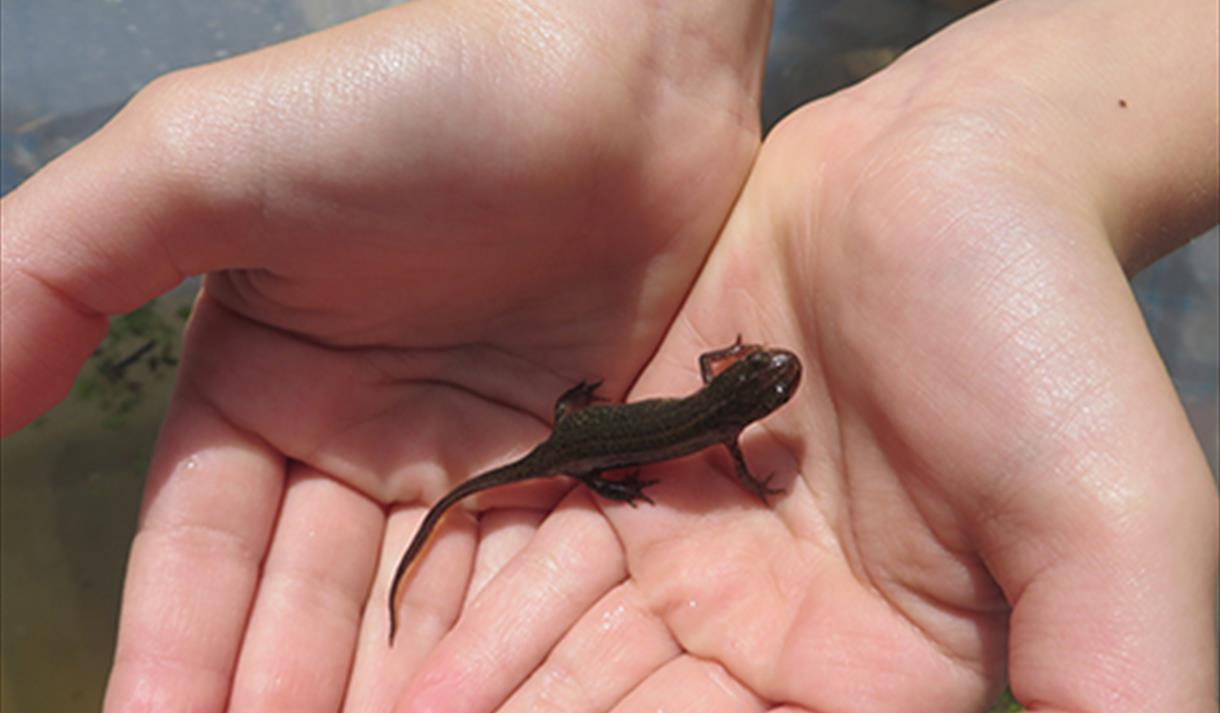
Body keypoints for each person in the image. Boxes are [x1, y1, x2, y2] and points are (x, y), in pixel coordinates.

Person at [2, 0, 1216, 710]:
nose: (761, 389)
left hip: (578, 433)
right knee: (549, 464)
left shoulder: (706, 407)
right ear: (743, 394)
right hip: (576, 448)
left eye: (761, 384)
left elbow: (694, 417)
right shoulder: (719, 426)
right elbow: (722, 449)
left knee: (568, 450)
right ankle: (502, 502)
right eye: (761, 385)